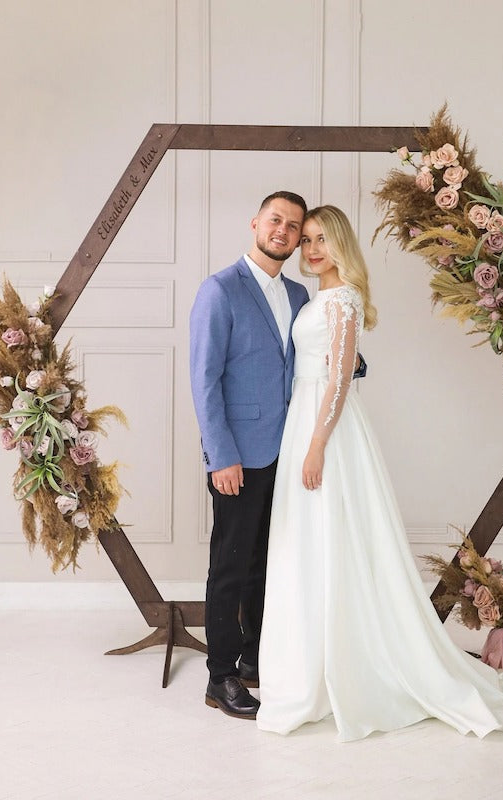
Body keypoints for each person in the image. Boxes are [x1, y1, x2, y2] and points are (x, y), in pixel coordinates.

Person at [256, 206, 503, 741]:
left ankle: (352, 665)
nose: (311, 249)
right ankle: (311, 660)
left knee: (335, 537)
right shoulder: (314, 298)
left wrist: (315, 445)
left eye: (322, 240)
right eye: (306, 240)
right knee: (305, 542)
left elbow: (338, 380)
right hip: (301, 420)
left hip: (325, 429)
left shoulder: (344, 299)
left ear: (342, 246)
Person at [189, 191, 310, 720]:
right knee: (231, 566)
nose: (282, 230)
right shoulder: (220, 290)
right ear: (255, 223)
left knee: (271, 563)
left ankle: (256, 660)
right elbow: (205, 381)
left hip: (291, 452)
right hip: (239, 456)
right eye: (275, 220)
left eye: (294, 225)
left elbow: (308, 358)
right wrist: (221, 455)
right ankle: (220, 677)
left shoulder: (302, 294)